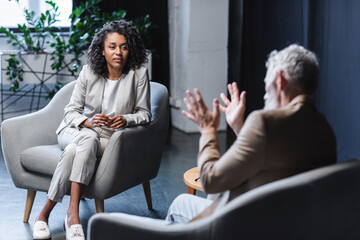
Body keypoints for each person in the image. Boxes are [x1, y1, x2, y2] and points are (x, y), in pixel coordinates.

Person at [165, 44, 337, 223]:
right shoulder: (325, 131)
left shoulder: (264, 122)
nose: (264, 96)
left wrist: (208, 130)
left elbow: (210, 181)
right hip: (289, 226)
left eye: (266, 85)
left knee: (180, 203)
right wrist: (241, 127)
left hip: (246, 226)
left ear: (279, 80)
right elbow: (272, 161)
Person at [33, 20, 151, 240]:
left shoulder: (139, 74)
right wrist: (87, 122)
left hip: (107, 139)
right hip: (73, 131)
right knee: (86, 139)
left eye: (124, 47)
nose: (118, 52)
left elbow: (145, 113)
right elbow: (70, 112)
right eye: (112, 46)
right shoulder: (89, 72)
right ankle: (73, 215)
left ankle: (44, 214)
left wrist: (125, 120)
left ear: (130, 49)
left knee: (72, 153)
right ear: (103, 50)